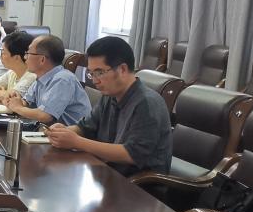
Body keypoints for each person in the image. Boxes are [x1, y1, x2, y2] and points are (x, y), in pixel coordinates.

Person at [46, 36, 172, 176]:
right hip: (106, 172)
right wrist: (62, 133)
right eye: (91, 73)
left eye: (99, 73)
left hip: (137, 183)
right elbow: (85, 127)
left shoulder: (147, 103)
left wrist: (77, 142)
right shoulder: (109, 96)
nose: (95, 80)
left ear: (122, 69)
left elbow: (132, 154)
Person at [4, 34, 92, 126]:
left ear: (42, 59)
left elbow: (46, 116)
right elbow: (26, 103)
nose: (25, 57)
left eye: (28, 53)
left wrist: (18, 108)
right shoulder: (41, 78)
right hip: (50, 131)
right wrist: (14, 100)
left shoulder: (63, 80)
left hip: (73, 133)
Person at [0, 30, 37, 101]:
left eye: (3, 53)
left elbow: (10, 98)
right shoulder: (12, 73)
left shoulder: (31, 76)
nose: (0, 56)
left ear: (16, 58)